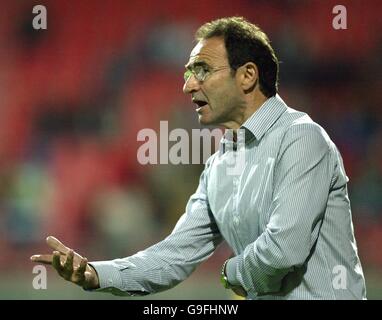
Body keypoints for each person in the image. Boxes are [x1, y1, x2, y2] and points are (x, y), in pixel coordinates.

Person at [31, 16, 367, 299]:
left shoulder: (301, 139)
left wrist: (230, 272)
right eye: (189, 73)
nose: (188, 86)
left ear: (247, 75)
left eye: (203, 70)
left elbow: (283, 251)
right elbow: (173, 256)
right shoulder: (220, 165)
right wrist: (96, 273)